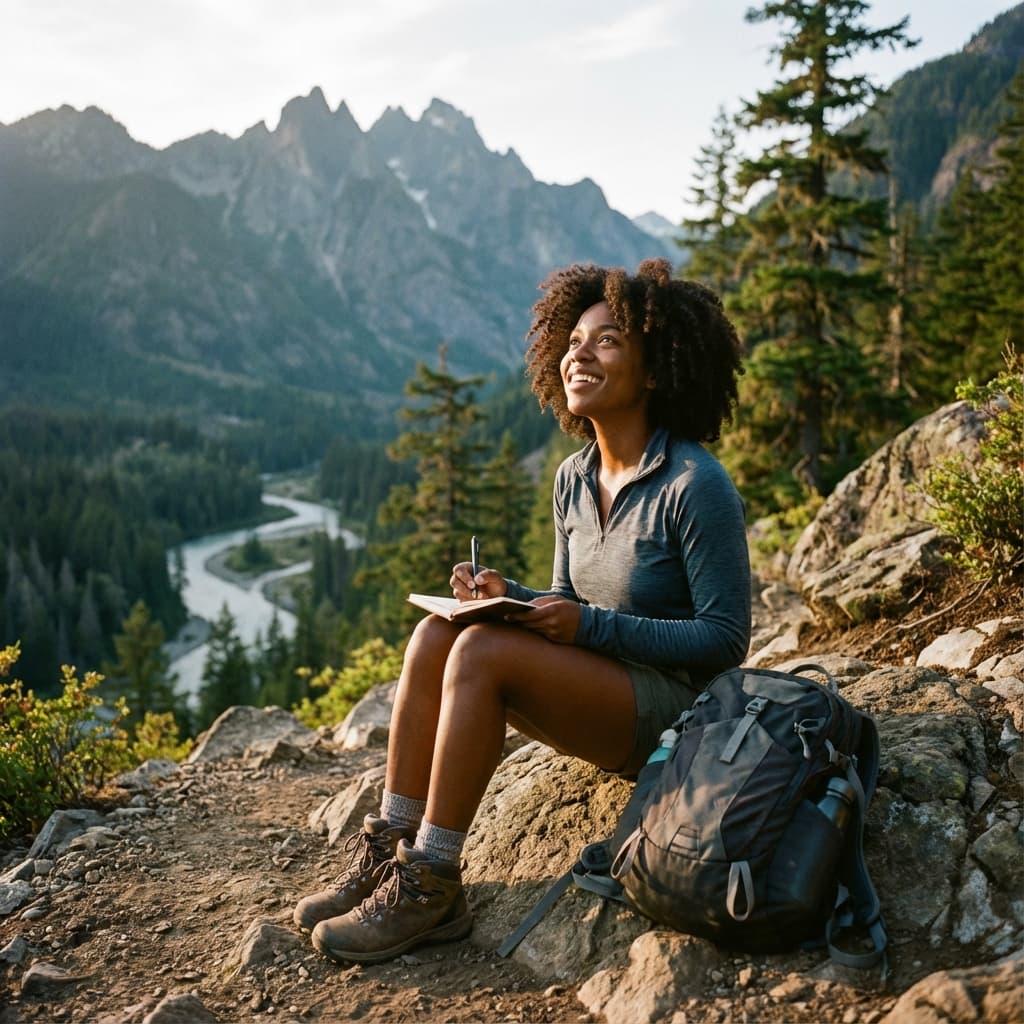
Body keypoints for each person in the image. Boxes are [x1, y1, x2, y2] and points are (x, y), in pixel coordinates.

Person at [293, 256, 751, 964]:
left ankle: (433, 883)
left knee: (481, 653)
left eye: (607, 341)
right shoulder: (573, 478)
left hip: (676, 716)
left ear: (655, 371)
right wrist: (516, 600)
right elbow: (569, 603)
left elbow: (725, 640)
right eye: (573, 341)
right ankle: (390, 850)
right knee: (435, 636)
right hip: (602, 684)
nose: (580, 352)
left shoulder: (695, 484)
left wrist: (586, 626)